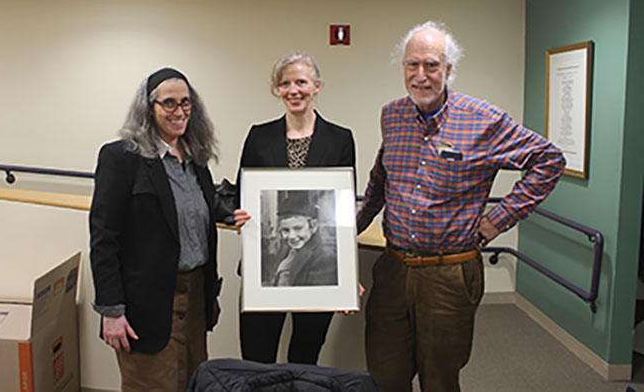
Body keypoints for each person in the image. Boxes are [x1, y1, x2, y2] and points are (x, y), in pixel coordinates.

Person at [356, 21, 566, 392]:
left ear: (448, 69)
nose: (421, 76)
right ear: (403, 68)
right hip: (392, 268)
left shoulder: (482, 119)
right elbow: (380, 178)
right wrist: (347, 231)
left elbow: (548, 160)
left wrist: (496, 221)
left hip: (448, 273)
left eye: (432, 65)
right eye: (412, 65)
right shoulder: (392, 115)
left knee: (440, 378)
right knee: (384, 375)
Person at [89, 68, 222, 392]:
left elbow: (196, 210)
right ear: (149, 109)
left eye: (186, 103)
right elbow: (104, 238)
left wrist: (233, 214)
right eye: (169, 103)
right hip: (145, 303)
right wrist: (111, 310)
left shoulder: (195, 158)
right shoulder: (121, 158)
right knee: (151, 385)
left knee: (192, 382)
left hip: (194, 300)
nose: (180, 111)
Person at [237, 52, 356, 365]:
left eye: (301, 82)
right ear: (277, 89)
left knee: (305, 359)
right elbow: (242, 195)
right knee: (256, 359)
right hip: (262, 273)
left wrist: (347, 269)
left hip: (321, 271)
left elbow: (340, 209)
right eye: (285, 83)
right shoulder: (258, 137)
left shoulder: (340, 139)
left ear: (316, 86)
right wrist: (237, 212)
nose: (294, 90)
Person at [270, 190, 338, 287]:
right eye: (285, 230)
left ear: (313, 226)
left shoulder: (324, 257)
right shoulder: (287, 251)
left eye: (298, 228)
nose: (291, 236)